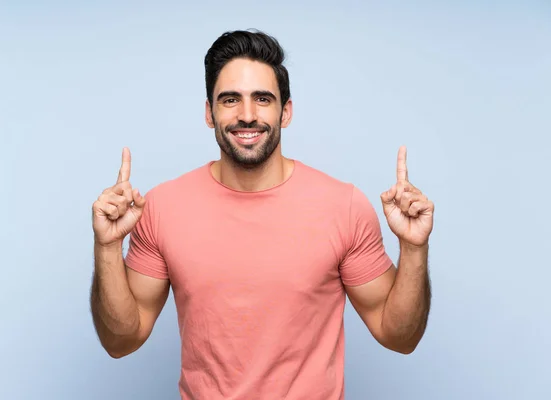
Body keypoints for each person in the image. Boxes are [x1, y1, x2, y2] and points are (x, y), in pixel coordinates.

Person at [90, 29, 434, 400]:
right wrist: (107, 246)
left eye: (263, 99)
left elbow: (400, 336)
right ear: (209, 112)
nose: (247, 115)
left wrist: (414, 248)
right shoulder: (163, 207)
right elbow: (120, 340)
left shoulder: (343, 206)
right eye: (230, 100)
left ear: (285, 111)